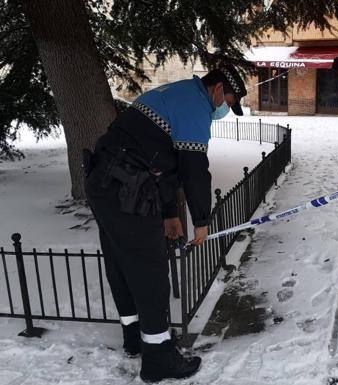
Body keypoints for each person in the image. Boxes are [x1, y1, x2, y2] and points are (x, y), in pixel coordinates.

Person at [83, 65, 247, 382]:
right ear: (216, 90)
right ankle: (158, 357)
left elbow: (163, 166)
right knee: (151, 271)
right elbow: (194, 170)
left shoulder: (174, 94)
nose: (225, 108)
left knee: (121, 263)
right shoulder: (195, 105)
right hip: (125, 190)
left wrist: (171, 214)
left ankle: (135, 339)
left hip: (104, 183)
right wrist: (202, 221)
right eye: (228, 100)